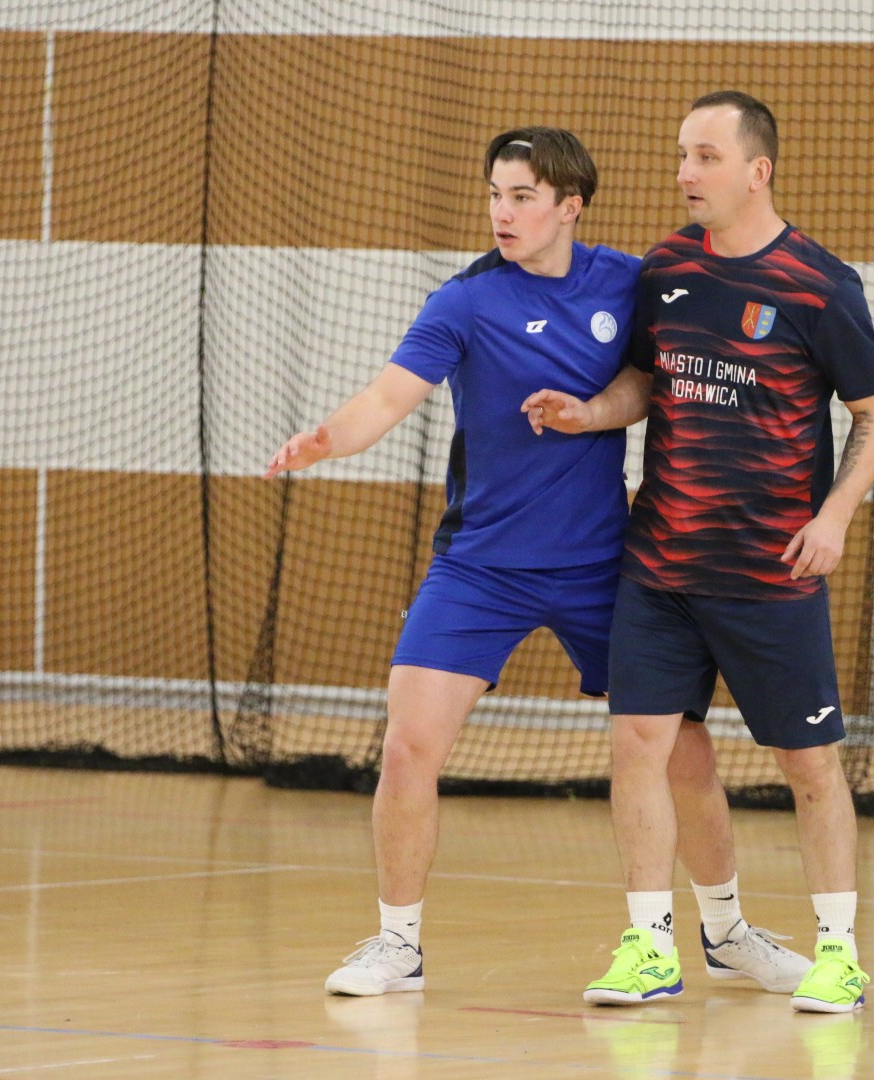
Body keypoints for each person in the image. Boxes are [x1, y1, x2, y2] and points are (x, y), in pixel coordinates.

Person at [266, 126, 811, 995]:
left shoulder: (625, 282)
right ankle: (397, 945)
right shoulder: (464, 301)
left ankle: (727, 932)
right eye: (495, 194)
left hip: (605, 566)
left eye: (522, 196)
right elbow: (386, 396)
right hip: (480, 567)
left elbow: (650, 381)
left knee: (685, 755)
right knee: (408, 745)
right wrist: (326, 440)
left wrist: (594, 412)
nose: (503, 212)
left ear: (570, 206)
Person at [524, 90, 874, 1011]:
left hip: (770, 574)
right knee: (638, 746)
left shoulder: (819, 284)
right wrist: (589, 414)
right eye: (681, 155)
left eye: (704, 157)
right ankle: (652, 947)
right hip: (660, 568)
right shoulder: (667, 268)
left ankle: (839, 954)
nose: (684, 173)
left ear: (756, 171)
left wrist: (835, 515)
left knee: (809, 765)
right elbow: (645, 382)